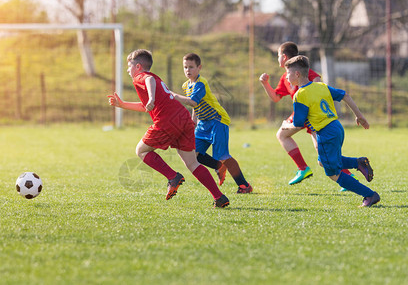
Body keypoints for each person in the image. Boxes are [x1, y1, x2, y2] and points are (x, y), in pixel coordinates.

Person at [108, 49, 230, 208]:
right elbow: (147, 106)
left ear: (138, 66)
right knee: (192, 162)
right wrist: (123, 104)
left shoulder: (142, 77)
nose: (127, 70)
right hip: (183, 118)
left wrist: (151, 97)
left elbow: (148, 82)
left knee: (141, 151)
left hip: (167, 121)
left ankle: (173, 177)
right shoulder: (155, 79)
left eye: (129, 66)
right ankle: (219, 197)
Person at [285, 55, 380, 207]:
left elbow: (298, 122)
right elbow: (345, 95)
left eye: (287, 73)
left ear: (297, 74)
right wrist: (359, 116)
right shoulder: (321, 86)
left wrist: (285, 126)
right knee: (324, 161)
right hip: (337, 127)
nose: (286, 77)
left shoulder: (300, 95)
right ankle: (359, 162)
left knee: (333, 174)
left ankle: (369, 195)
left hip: (325, 133)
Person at [259, 41, 354, 188]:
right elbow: (276, 97)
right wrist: (265, 84)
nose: (277, 58)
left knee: (320, 152)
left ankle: (340, 174)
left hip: (312, 115)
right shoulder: (286, 76)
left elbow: (317, 83)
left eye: (278, 56)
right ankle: (308, 169)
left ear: (283, 57)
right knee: (291, 138)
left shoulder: (302, 71)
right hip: (301, 114)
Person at [171, 53, 252, 194]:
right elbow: (195, 106)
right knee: (193, 152)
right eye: (185, 67)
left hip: (217, 121)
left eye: (191, 67)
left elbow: (194, 101)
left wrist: (174, 96)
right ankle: (218, 166)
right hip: (203, 124)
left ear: (199, 67)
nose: (188, 70)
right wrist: (193, 121)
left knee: (222, 154)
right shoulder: (186, 85)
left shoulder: (201, 83)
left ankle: (244, 185)